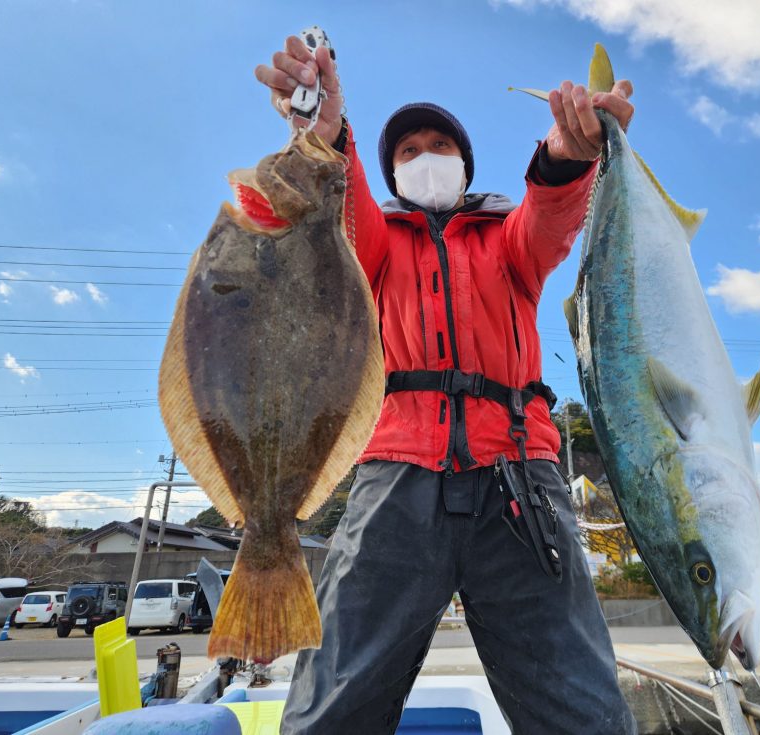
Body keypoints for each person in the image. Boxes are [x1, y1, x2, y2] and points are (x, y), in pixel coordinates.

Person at [256, 34, 637, 735]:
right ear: (391, 171)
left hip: (520, 481)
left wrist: (566, 154)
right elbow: (343, 201)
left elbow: (550, 215)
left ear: (464, 163)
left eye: (439, 145)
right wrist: (325, 127)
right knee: (332, 703)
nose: (424, 156)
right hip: (394, 478)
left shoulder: (508, 240)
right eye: (407, 150)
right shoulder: (373, 245)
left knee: (583, 709)